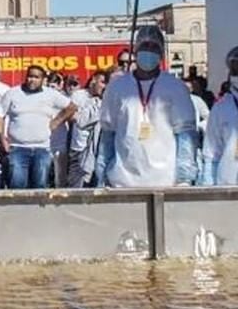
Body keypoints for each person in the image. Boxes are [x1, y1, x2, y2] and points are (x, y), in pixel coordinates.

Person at [95, 25, 197, 188]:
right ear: (135, 51)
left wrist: (184, 178)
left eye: (154, 47)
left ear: (162, 54)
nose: (148, 50)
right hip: (122, 181)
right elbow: (108, 134)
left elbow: (185, 135)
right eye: (144, 46)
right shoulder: (117, 87)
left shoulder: (175, 87)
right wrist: (102, 174)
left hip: (166, 180)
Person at [0, 65, 76, 190]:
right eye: (30, 76)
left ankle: (37, 211)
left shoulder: (51, 94)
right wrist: (3, 139)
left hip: (42, 148)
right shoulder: (12, 93)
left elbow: (71, 107)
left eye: (36, 77)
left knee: (40, 187)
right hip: (18, 148)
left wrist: (56, 122)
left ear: (43, 79)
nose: (32, 80)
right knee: (17, 186)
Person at [202, 46, 238, 187]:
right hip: (227, 184)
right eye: (235, 70)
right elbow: (211, 152)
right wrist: (208, 184)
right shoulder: (221, 107)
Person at [67, 70, 107, 188]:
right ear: (94, 79)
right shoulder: (79, 95)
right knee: (77, 187)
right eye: (102, 82)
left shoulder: (105, 100)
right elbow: (75, 118)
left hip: (99, 151)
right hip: (79, 148)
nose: (104, 86)